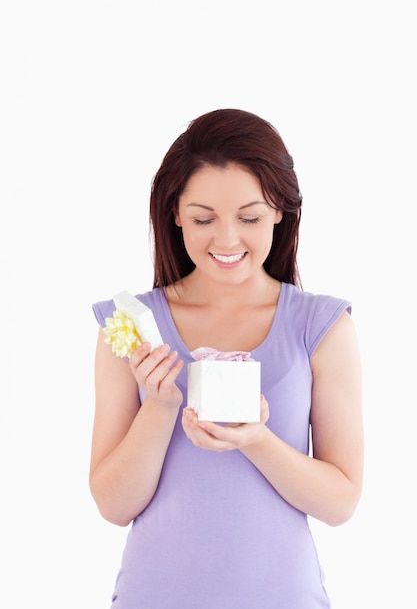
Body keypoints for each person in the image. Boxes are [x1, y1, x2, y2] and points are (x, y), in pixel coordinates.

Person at [90, 108, 363, 608]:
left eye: (250, 217)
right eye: (203, 219)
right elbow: (113, 505)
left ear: (281, 210)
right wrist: (159, 406)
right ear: (175, 214)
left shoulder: (322, 327)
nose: (227, 240)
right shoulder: (129, 328)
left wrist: (256, 441)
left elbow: (341, 502)